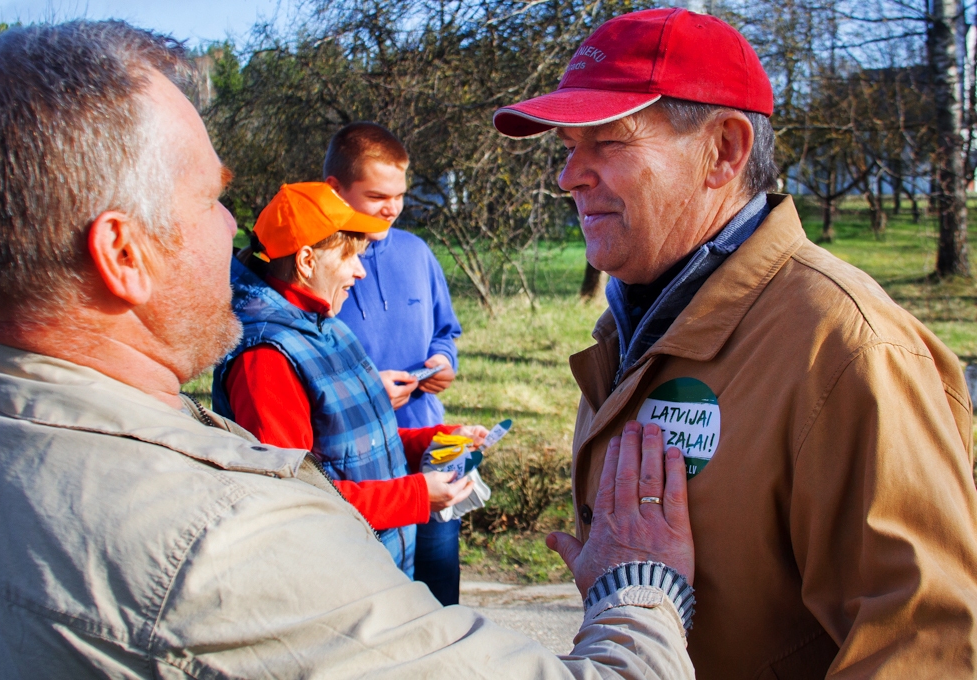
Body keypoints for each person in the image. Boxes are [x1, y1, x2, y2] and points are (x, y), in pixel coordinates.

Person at [0, 20, 700, 678]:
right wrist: (640, 584)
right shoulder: (220, 544)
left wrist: (424, 440)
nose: (232, 232)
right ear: (123, 253)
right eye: (213, 198)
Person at [493, 8, 977, 679]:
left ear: (724, 150)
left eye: (606, 141)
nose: (568, 175)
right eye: (568, 147)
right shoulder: (633, 329)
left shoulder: (848, 349)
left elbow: (926, 651)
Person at [210, 181, 484, 577]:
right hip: (339, 579)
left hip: (373, 566)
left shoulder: (323, 323)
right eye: (350, 256)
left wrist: (437, 440)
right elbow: (293, 497)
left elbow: (351, 441)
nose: (360, 271)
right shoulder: (266, 360)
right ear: (306, 261)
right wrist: (416, 494)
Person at [326, 122, 467, 605]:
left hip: (431, 445)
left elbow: (447, 330)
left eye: (400, 195)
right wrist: (367, 391)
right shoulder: (319, 264)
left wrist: (442, 361)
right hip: (361, 465)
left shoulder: (417, 252)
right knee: (380, 605)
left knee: (441, 595)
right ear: (335, 190)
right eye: (377, 195)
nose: (392, 207)